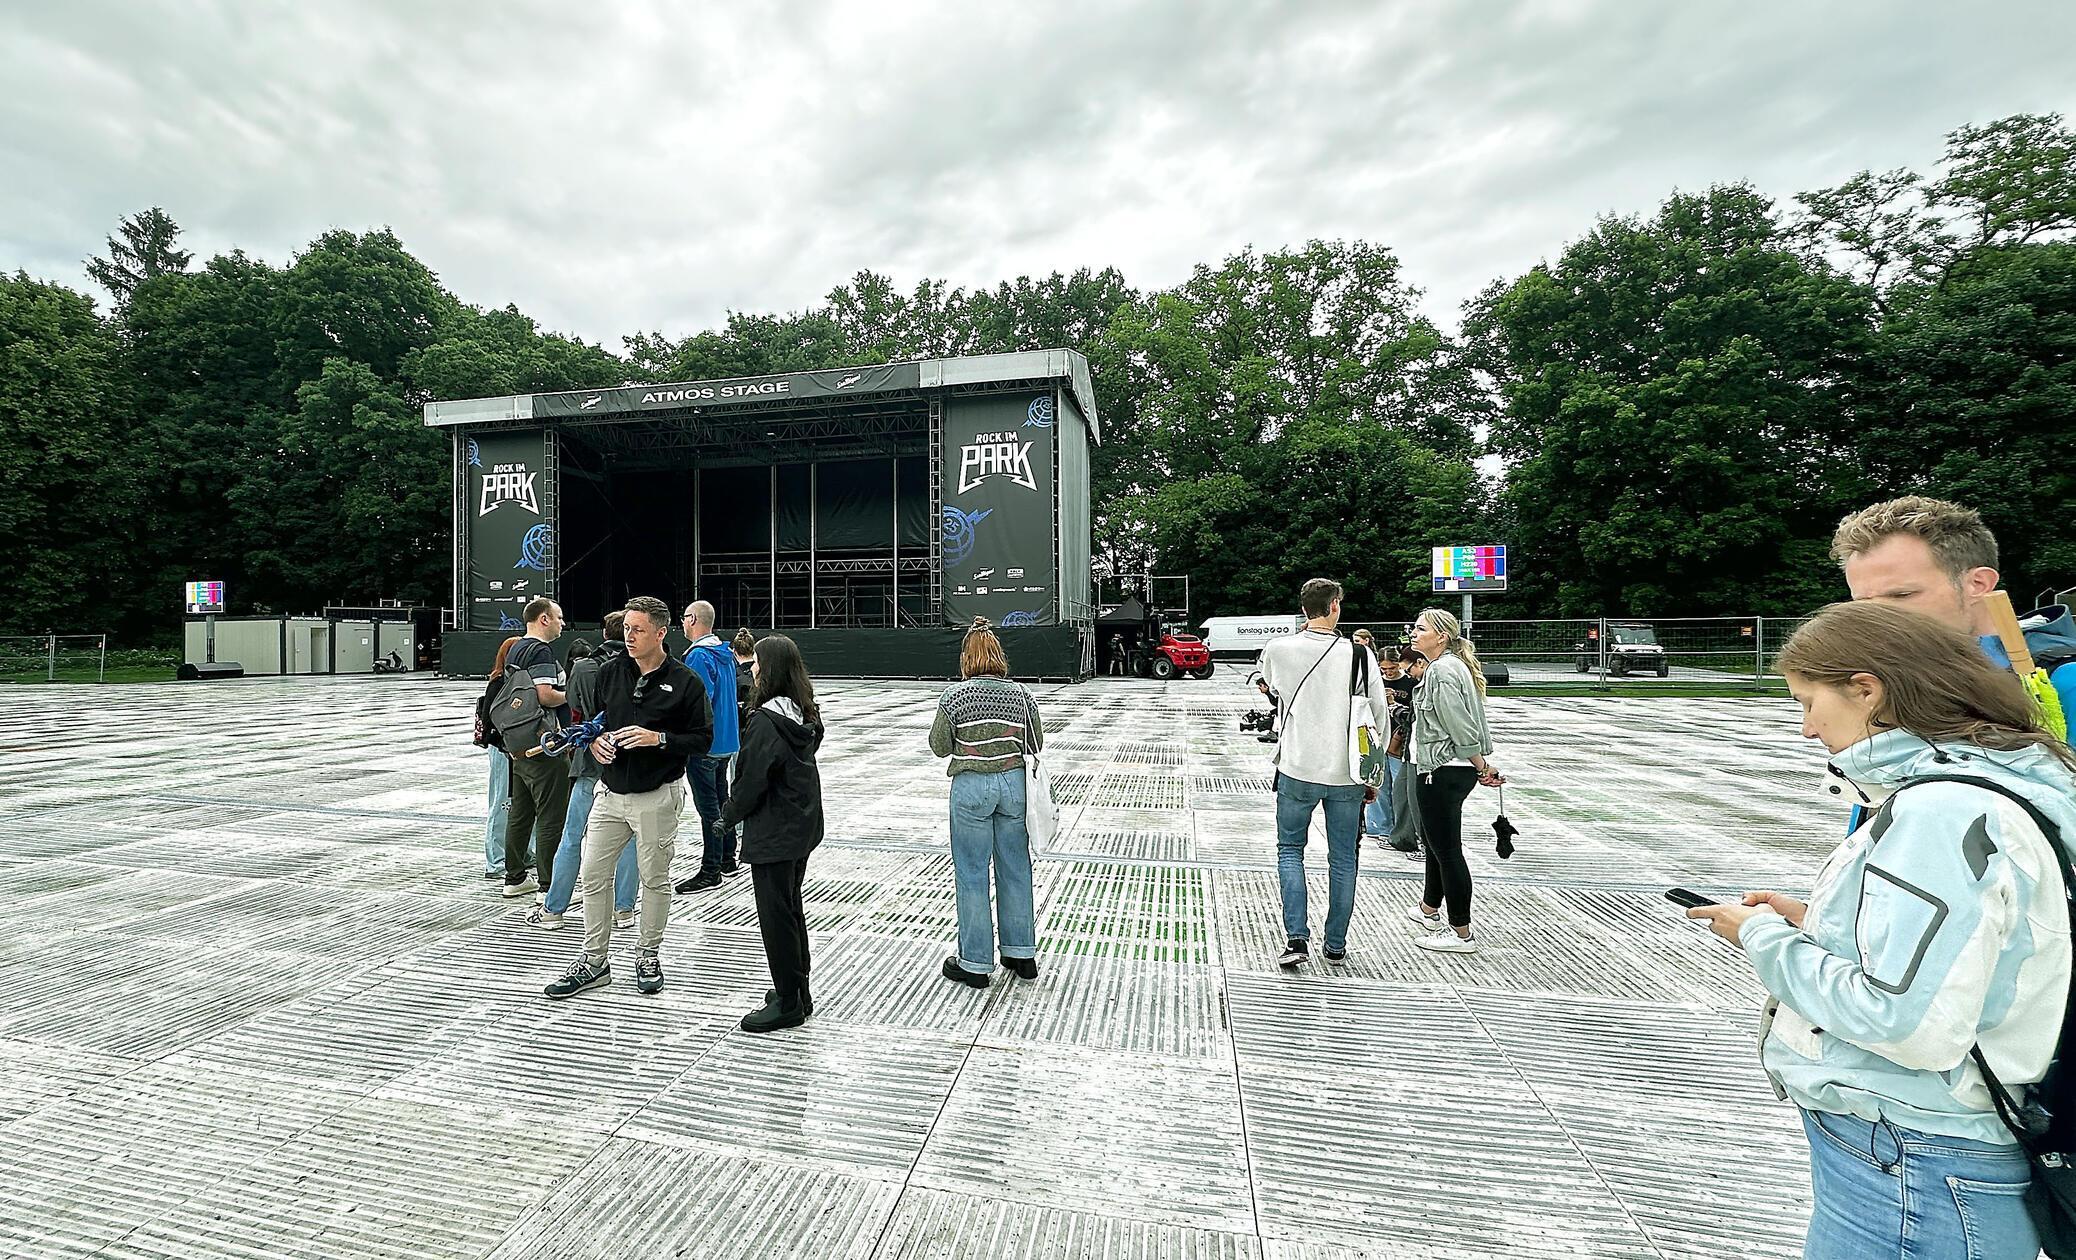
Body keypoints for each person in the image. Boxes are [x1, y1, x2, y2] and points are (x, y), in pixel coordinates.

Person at [1687, 601, 2076, 1260]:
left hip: (1910, 1156)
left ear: (1867, 690)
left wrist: (1762, 937)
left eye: (1808, 702)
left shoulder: (1940, 811)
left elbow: (1903, 1023)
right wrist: (1821, 923)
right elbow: (1990, 950)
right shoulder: (2011, 783)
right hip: (1941, 1150)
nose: (1807, 729)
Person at [543, 596, 712, 1000]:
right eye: (626, 628)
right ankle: (594, 961)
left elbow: (703, 739)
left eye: (638, 629)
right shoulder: (610, 672)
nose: (629, 636)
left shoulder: (686, 681)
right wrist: (595, 742)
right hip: (609, 792)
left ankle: (648, 954)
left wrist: (660, 739)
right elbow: (598, 720)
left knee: (654, 879)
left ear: (660, 632)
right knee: (593, 875)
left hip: (657, 795)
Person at [1833, 496, 2076, 721]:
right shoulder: (1872, 680)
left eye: (1901, 595)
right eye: (1863, 604)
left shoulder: (2065, 679)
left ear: (1978, 584)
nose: (1878, 618)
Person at [1258, 578, 1389, 969]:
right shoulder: (1360, 655)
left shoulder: (1279, 649)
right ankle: (1335, 944)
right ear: (1335, 606)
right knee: (1343, 859)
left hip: (1297, 766)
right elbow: (1378, 717)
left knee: (1289, 850)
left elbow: (1271, 687)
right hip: (1346, 772)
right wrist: (1372, 775)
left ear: (1304, 609)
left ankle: (1296, 938)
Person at [930, 618, 1044, 988]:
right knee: (1016, 868)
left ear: (966, 658)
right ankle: (1021, 953)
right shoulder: (1020, 695)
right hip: (1013, 785)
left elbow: (939, 746)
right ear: (999, 655)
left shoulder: (955, 696)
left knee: (972, 873)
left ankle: (976, 964)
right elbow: (1036, 743)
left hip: (971, 787)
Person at [720, 634, 826, 1033]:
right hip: (802, 825)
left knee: (776, 915)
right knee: (790, 907)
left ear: (771, 670)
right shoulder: (804, 713)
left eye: (758, 662)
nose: (753, 668)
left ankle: (788, 1002)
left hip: (774, 830)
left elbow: (751, 780)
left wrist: (728, 814)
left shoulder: (766, 721)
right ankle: (798, 990)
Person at [529, 617, 639, 932]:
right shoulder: (638, 668)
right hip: (628, 762)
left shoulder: (584, 667)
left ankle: (554, 908)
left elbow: (575, 709)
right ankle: (624, 908)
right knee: (629, 837)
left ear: (603, 634)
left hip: (590, 764)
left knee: (572, 836)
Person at [1406, 608, 1503, 955]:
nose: (1413, 633)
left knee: (1446, 851)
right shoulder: (1446, 666)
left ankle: (1461, 932)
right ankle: (1429, 909)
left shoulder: (1442, 671)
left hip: (1444, 769)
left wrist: (1482, 766)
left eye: (1421, 629)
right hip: (1447, 768)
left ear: (1441, 636)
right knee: (1436, 844)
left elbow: (1458, 725)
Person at [499, 599, 573, 899]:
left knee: (521, 813)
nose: (562, 623)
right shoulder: (541, 651)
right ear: (544, 619)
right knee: (551, 816)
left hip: (518, 744)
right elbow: (544, 695)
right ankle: (549, 886)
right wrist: (571, 695)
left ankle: (515, 877)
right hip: (543, 745)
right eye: (559, 617)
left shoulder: (515, 648)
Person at [675, 600, 744, 894]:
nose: (682, 623)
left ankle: (710, 869)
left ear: (692, 619)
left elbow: (695, 702)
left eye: (684, 618)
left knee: (708, 809)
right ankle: (728, 858)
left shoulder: (699, 656)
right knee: (721, 799)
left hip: (705, 744)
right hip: (726, 740)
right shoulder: (724, 653)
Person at [473, 635, 521, 880]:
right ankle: (496, 861)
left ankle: (523, 854)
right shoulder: (499, 683)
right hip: (502, 750)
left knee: (521, 803)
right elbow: (491, 722)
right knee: (501, 803)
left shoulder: (518, 681)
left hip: (518, 750)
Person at [1384, 652, 1427, 856]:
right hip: (1411, 750)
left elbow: (1417, 717)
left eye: (1408, 670)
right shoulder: (1422, 682)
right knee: (1401, 794)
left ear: (1420, 663)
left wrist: (1394, 707)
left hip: (1423, 752)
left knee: (1417, 801)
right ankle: (1403, 839)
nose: (1410, 675)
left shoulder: (1427, 683)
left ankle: (1426, 845)